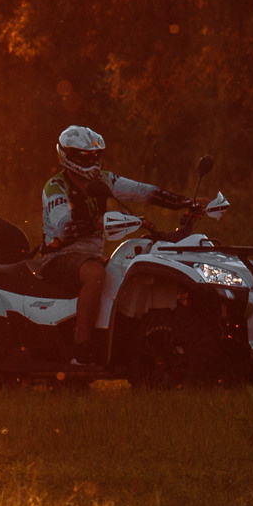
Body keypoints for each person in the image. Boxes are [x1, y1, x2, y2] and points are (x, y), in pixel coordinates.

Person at [39, 124, 195, 365]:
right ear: (68, 156)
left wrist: (186, 202)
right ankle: (81, 349)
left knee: (125, 269)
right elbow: (64, 230)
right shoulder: (55, 187)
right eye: (84, 156)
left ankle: (121, 341)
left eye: (95, 155)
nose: (91, 160)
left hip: (88, 257)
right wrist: (97, 223)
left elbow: (143, 192)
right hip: (57, 257)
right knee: (95, 275)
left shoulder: (104, 180)